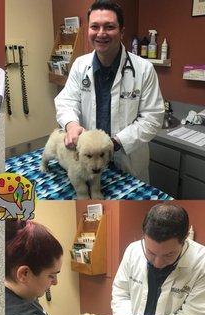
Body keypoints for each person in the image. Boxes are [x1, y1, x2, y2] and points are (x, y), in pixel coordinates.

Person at [54, 0, 164, 183]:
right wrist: (71, 125)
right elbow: (67, 101)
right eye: (94, 26)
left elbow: (152, 118)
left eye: (109, 27)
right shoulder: (80, 65)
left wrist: (115, 143)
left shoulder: (144, 69)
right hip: (89, 162)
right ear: (88, 30)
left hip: (128, 163)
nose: (101, 33)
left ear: (121, 31)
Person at [99, 203, 205, 315]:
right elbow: (121, 292)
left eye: (169, 254)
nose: (157, 262)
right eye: (151, 252)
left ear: (185, 238)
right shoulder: (133, 250)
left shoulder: (201, 263)